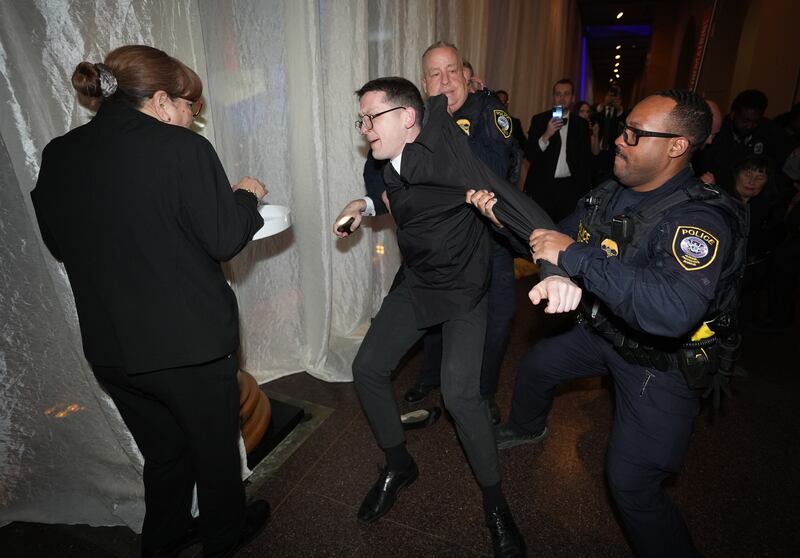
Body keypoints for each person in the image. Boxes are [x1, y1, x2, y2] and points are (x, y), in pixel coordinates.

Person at [469, 90, 745, 557]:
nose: (620, 140)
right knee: (538, 365)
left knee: (633, 484)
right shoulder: (609, 192)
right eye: (624, 129)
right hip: (606, 332)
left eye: (635, 134)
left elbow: (670, 311)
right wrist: (500, 218)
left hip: (662, 364)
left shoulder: (699, 219)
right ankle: (527, 426)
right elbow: (552, 237)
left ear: (677, 146)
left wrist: (573, 254)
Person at [31, 45, 269, 558]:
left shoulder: (59, 153)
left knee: (164, 453)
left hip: (114, 350)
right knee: (214, 454)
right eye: (191, 106)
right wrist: (246, 194)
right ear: (161, 101)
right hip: (190, 347)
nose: (192, 117)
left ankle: (164, 538)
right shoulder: (180, 149)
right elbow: (226, 237)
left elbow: (60, 240)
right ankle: (224, 535)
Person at [349, 76, 580, 557]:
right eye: (362, 119)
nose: (365, 128)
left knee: (460, 396)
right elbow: (404, 197)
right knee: (367, 369)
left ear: (407, 118)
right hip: (419, 281)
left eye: (372, 118)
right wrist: (368, 204)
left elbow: (517, 204)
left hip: (462, 290)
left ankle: (496, 503)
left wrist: (553, 266)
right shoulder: (397, 148)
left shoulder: (449, 157)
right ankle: (398, 463)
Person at [335, 42, 519, 425]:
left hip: (489, 242)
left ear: (467, 75)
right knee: (422, 311)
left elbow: (489, 172)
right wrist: (378, 199)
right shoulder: (410, 120)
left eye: (452, 71)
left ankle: (480, 395)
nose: (445, 80)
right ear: (424, 82)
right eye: (435, 74)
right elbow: (378, 168)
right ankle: (428, 378)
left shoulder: (488, 111)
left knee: (494, 325)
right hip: (432, 244)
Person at [523, 79, 593, 222]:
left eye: (566, 94)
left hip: (570, 189)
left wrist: (585, 192)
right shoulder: (539, 120)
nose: (562, 98)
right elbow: (530, 155)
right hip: (542, 188)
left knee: (565, 232)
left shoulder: (581, 125)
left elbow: (585, 160)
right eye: (558, 94)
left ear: (573, 98)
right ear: (553, 97)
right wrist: (546, 135)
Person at [700, 89, 791, 192]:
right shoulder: (717, 134)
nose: (749, 126)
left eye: (756, 122)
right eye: (745, 120)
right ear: (733, 114)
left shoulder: (771, 134)